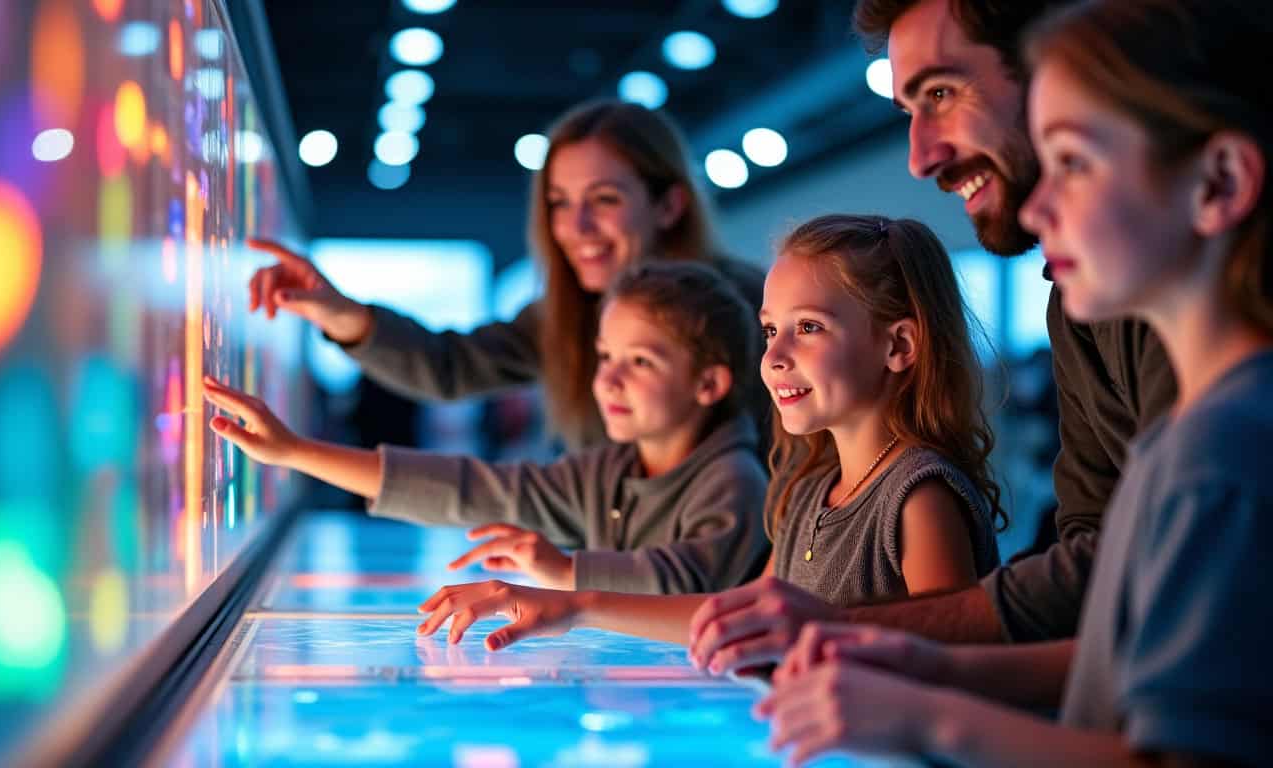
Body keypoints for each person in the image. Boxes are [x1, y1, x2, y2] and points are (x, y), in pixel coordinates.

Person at [759, 2, 1273, 764]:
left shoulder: (1223, 447)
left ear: (1219, 180)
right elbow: (1129, 642)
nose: (1038, 204)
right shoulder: (1177, 430)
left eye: (1073, 160)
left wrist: (934, 714)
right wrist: (941, 669)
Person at [685, 0, 1180, 668]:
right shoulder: (1075, 305)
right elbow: (1097, 546)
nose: (919, 159)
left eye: (942, 92)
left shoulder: (917, 491)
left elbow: (1173, 587)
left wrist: (895, 662)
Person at [415, 214, 1001, 652]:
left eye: (808, 327)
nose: (773, 356)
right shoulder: (807, 491)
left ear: (898, 345)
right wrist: (572, 606)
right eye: (771, 329)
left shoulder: (919, 497)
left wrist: (574, 593)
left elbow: (949, 662)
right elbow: (739, 613)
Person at [206, 262, 768, 594]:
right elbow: (470, 488)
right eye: (605, 357)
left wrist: (567, 573)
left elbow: (689, 581)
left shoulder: (735, 480)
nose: (609, 381)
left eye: (641, 362)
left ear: (710, 384)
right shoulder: (608, 469)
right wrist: (295, 451)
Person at [245, 100, 765, 451]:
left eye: (604, 199)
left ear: (669, 205)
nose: (576, 227)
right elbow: (450, 366)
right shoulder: (564, 314)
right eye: (560, 203)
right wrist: (338, 311)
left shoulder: (751, 308)